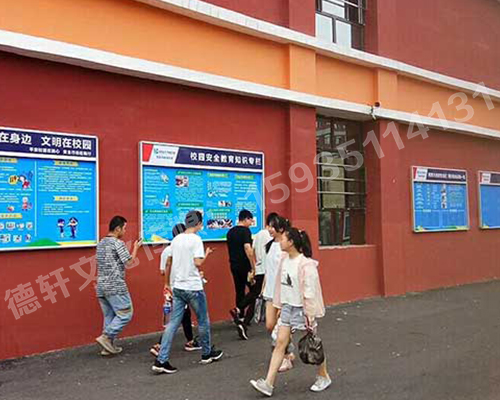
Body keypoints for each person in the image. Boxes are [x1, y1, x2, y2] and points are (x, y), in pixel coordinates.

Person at [250, 228, 331, 396]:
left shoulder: (306, 264)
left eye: (283, 239)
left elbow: (310, 292)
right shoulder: (284, 260)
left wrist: (309, 315)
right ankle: (268, 384)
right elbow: (281, 286)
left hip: (302, 310)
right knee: (280, 343)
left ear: (291, 242)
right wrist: (280, 306)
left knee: (313, 344)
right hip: (287, 307)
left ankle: (323, 376)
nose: (280, 242)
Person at [152, 211, 223, 374]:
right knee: (203, 320)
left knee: (172, 323)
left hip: (178, 287)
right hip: (193, 287)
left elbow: (169, 262)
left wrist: (167, 283)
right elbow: (198, 262)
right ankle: (206, 353)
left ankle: (161, 360)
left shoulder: (176, 240)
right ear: (198, 223)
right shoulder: (196, 239)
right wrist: (205, 256)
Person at [150, 223, 201, 357]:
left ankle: (190, 341)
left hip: (171, 288)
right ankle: (160, 345)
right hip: (183, 286)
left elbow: (163, 271)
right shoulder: (187, 249)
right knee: (176, 318)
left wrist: (167, 283)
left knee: (184, 315)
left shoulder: (166, 250)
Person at [95, 215, 142, 356]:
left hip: (101, 286)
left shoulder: (101, 243)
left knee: (109, 316)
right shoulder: (118, 243)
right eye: (124, 228)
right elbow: (129, 262)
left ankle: (107, 347)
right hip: (115, 285)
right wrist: (136, 248)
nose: (125, 231)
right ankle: (106, 337)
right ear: (117, 229)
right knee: (126, 313)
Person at [262, 216, 295, 372]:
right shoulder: (269, 245)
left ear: (281, 228)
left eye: (272, 226)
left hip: (282, 293)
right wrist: (263, 287)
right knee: (270, 325)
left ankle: (285, 357)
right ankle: (288, 347)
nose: (269, 229)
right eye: (268, 225)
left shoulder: (286, 247)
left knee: (281, 327)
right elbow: (268, 269)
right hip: (269, 292)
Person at [227, 209, 256, 340]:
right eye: (250, 220)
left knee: (239, 290)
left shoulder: (230, 232)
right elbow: (248, 249)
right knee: (254, 291)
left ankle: (240, 316)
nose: (251, 223)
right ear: (246, 219)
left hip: (234, 265)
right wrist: (253, 266)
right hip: (245, 266)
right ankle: (240, 310)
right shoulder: (245, 231)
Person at [251, 212, 278, 324]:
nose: (271, 229)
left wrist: (254, 264)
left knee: (255, 292)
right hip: (267, 273)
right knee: (270, 323)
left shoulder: (258, 235)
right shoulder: (271, 241)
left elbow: (252, 250)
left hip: (260, 268)